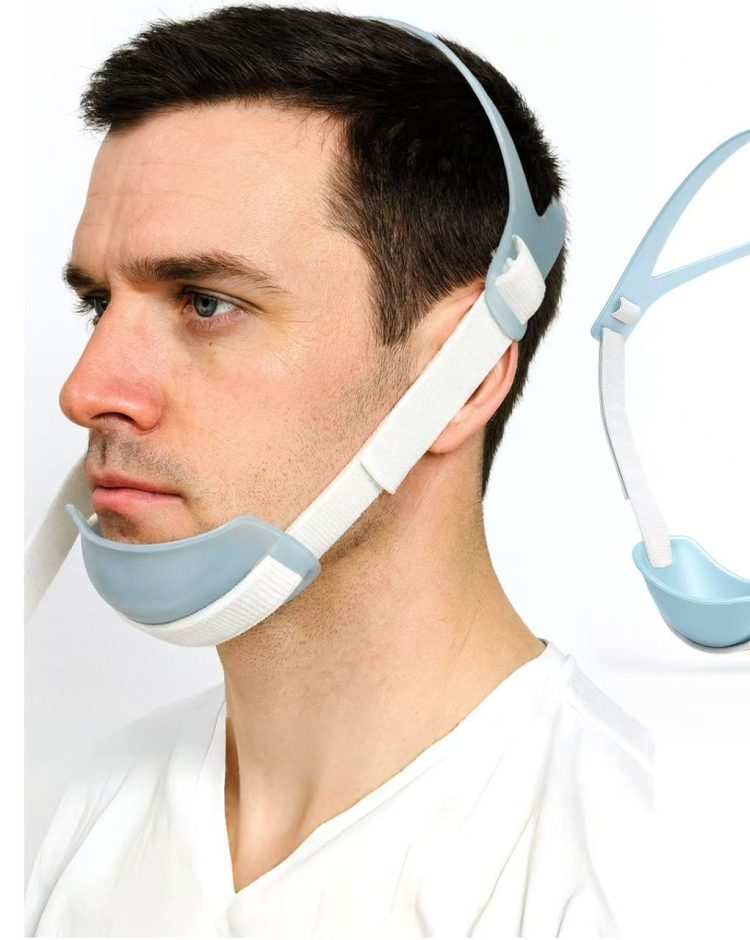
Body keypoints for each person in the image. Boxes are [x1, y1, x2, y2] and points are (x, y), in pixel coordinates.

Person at [24, 6, 655, 937]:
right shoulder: (94, 812)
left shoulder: (627, 869)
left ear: (462, 378)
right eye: (98, 305)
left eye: (205, 302)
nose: (86, 391)